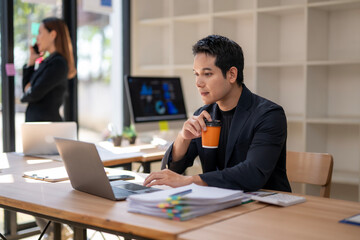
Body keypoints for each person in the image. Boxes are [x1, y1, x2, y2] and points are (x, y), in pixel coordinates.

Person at [144, 35, 291, 192]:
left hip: (264, 208)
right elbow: (174, 170)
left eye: (207, 74)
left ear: (232, 75)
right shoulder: (203, 114)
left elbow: (253, 173)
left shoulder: (268, 115)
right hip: (220, 203)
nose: (198, 83)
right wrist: (183, 138)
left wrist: (190, 181)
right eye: (196, 74)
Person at [21, 17, 76, 122]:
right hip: (40, 127)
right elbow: (27, 88)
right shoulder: (47, 62)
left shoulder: (58, 63)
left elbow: (33, 94)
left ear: (52, 35)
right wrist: (31, 62)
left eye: (40, 33)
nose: (37, 38)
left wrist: (29, 89)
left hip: (46, 128)